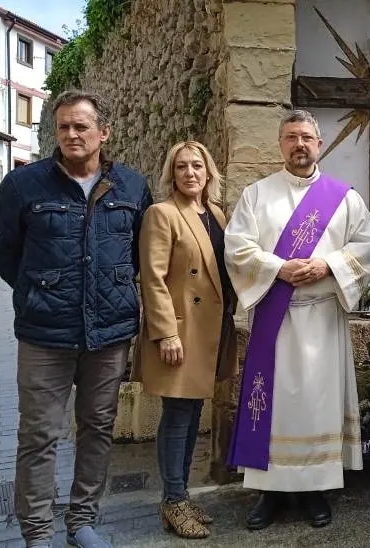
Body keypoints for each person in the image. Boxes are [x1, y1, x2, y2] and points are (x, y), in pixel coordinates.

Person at [0, 89, 153, 548]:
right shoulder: (24, 186)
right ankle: (37, 533)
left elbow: (140, 253)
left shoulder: (133, 188)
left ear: (104, 132)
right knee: (39, 434)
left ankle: (82, 522)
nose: (72, 134)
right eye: (63, 127)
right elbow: (4, 252)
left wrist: (111, 290)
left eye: (81, 126)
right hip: (45, 334)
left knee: (98, 426)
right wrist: (41, 292)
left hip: (109, 333)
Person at [224, 109, 370, 530]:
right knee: (271, 406)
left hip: (322, 320)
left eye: (307, 137)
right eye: (292, 137)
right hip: (274, 320)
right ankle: (269, 492)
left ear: (320, 144)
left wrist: (327, 264)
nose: (300, 145)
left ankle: (314, 491)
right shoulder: (257, 195)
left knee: (316, 405)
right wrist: (278, 268)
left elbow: (366, 246)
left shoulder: (344, 197)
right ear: (281, 144)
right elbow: (237, 248)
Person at [135, 141, 237, 539]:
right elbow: (153, 278)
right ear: (171, 174)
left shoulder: (215, 214)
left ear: (209, 172)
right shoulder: (162, 215)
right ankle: (173, 502)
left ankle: (180, 494)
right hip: (181, 332)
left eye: (197, 165)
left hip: (210, 329)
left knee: (194, 415)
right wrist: (164, 333)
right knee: (177, 417)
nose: (190, 173)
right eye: (181, 167)